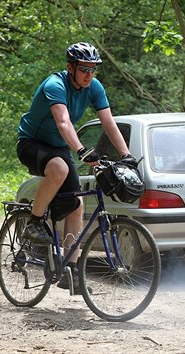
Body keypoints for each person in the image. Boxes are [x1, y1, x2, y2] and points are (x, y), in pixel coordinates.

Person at [16, 42, 137, 292]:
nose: (89, 75)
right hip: (32, 142)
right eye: (84, 69)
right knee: (59, 169)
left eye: (93, 70)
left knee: (76, 204)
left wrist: (127, 155)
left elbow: (109, 123)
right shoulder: (55, 85)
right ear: (70, 68)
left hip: (59, 147)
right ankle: (34, 222)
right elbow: (63, 122)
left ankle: (69, 270)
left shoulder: (94, 87)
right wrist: (81, 150)